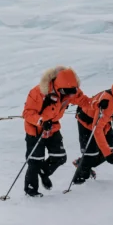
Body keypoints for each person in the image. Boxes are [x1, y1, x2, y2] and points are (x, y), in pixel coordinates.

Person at [21, 66, 93, 197]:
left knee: (60, 157)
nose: (69, 95)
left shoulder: (69, 90)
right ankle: (31, 190)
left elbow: (84, 101)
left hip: (53, 128)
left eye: (72, 92)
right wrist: (41, 121)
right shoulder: (38, 92)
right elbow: (27, 113)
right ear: (57, 86)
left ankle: (44, 171)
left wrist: (97, 103)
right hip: (35, 129)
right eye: (66, 92)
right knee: (35, 161)